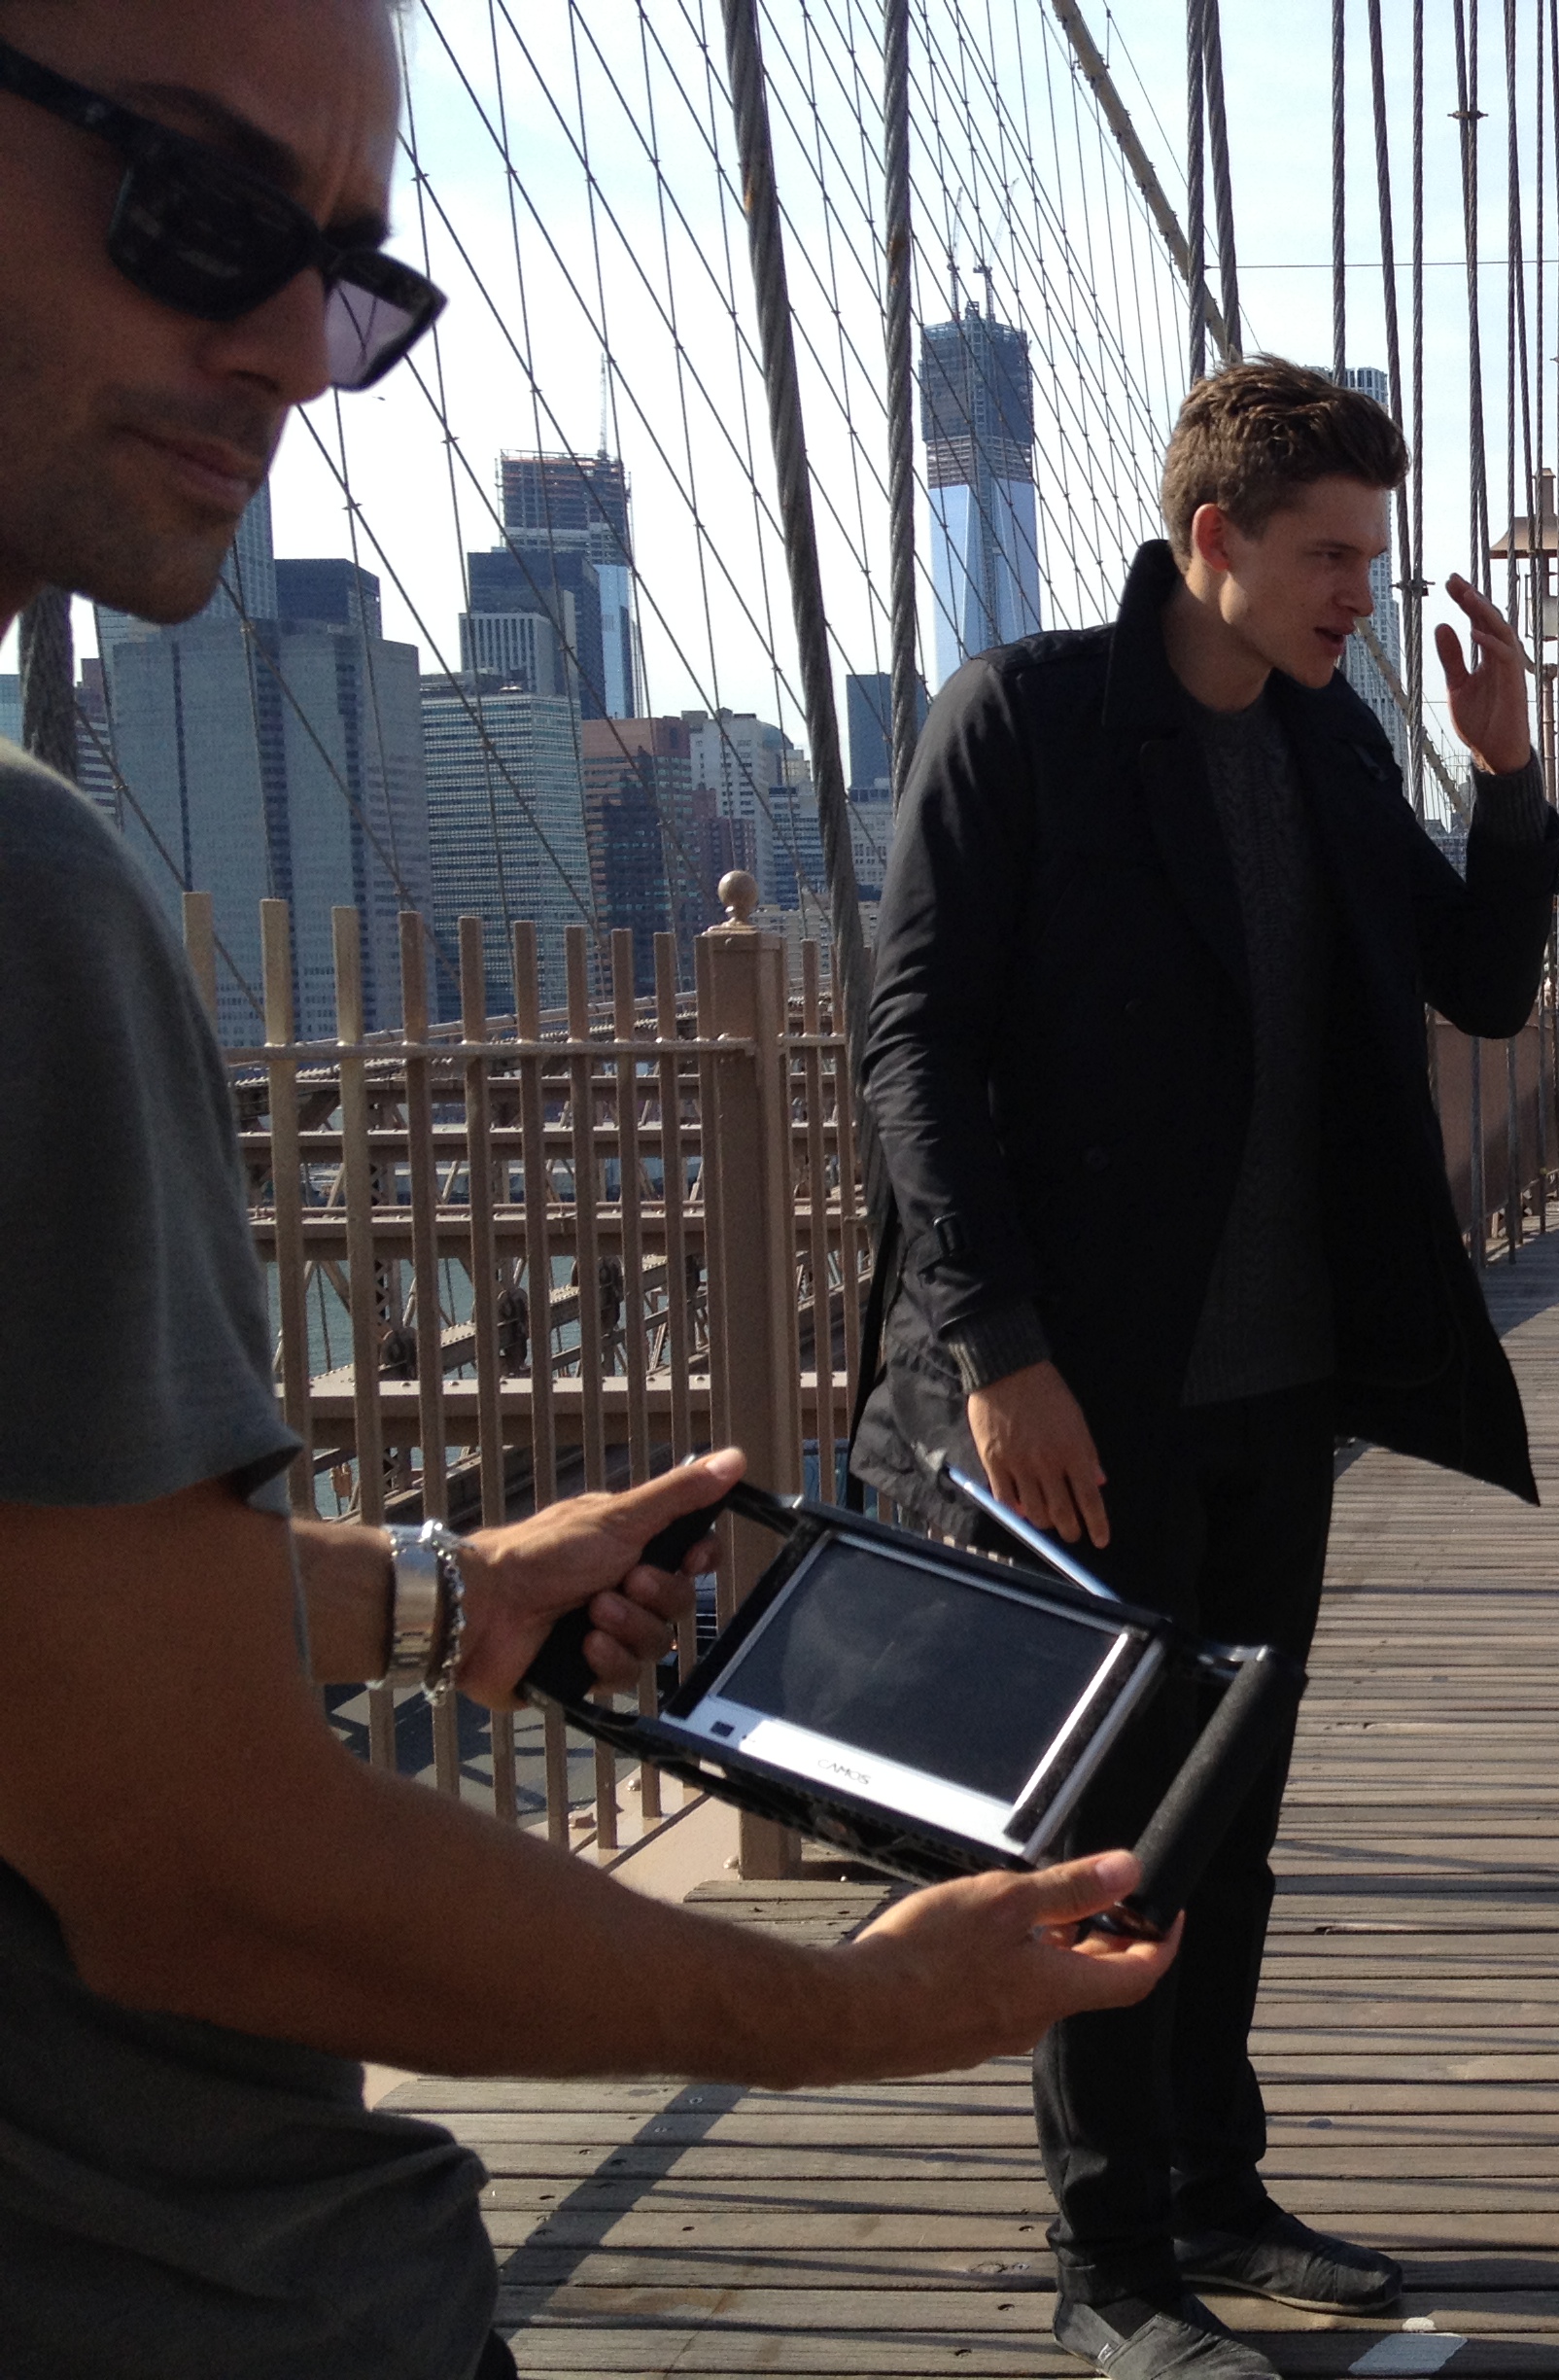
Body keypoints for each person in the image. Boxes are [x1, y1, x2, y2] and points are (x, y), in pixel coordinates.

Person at [0, 10, 1179, 2376]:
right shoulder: (27, 901)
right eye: (203, 213)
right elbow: (203, 1866)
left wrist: (446, 1593)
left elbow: (58, 1650)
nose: (287, 355)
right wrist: (855, 2006)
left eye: (352, 285)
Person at [849, 357, 1559, 2379]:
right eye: (1330, 555)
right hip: (1089, 1392)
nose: (1363, 594)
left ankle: (1217, 2191)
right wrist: (999, 1353)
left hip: (1281, 1386)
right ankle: (1109, 2257)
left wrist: (1503, 774)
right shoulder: (1031, 723)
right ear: (1215, 539)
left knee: (1229, 1818)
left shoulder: (1331, 749)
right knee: (1103, 1830)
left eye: (1374, 555)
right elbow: (914, 1049)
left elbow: (1485, 982)